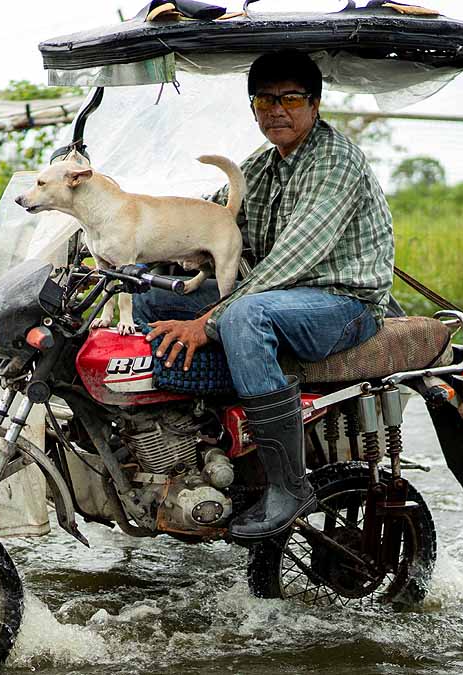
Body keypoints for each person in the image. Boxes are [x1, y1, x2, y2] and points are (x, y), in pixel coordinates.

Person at [137, 51, 397, 540]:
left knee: (244, 317)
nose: (276, 110)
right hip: (284, 299)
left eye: (290, 98)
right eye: (264, 99)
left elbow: (291, 261)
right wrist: (137, 253)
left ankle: (289, 485)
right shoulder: (261, 166)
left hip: (341, 303)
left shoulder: (335, 161)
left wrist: (209, 320)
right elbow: (205, 223)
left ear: (315, 105)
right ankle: (194, 446)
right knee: (154, 299)